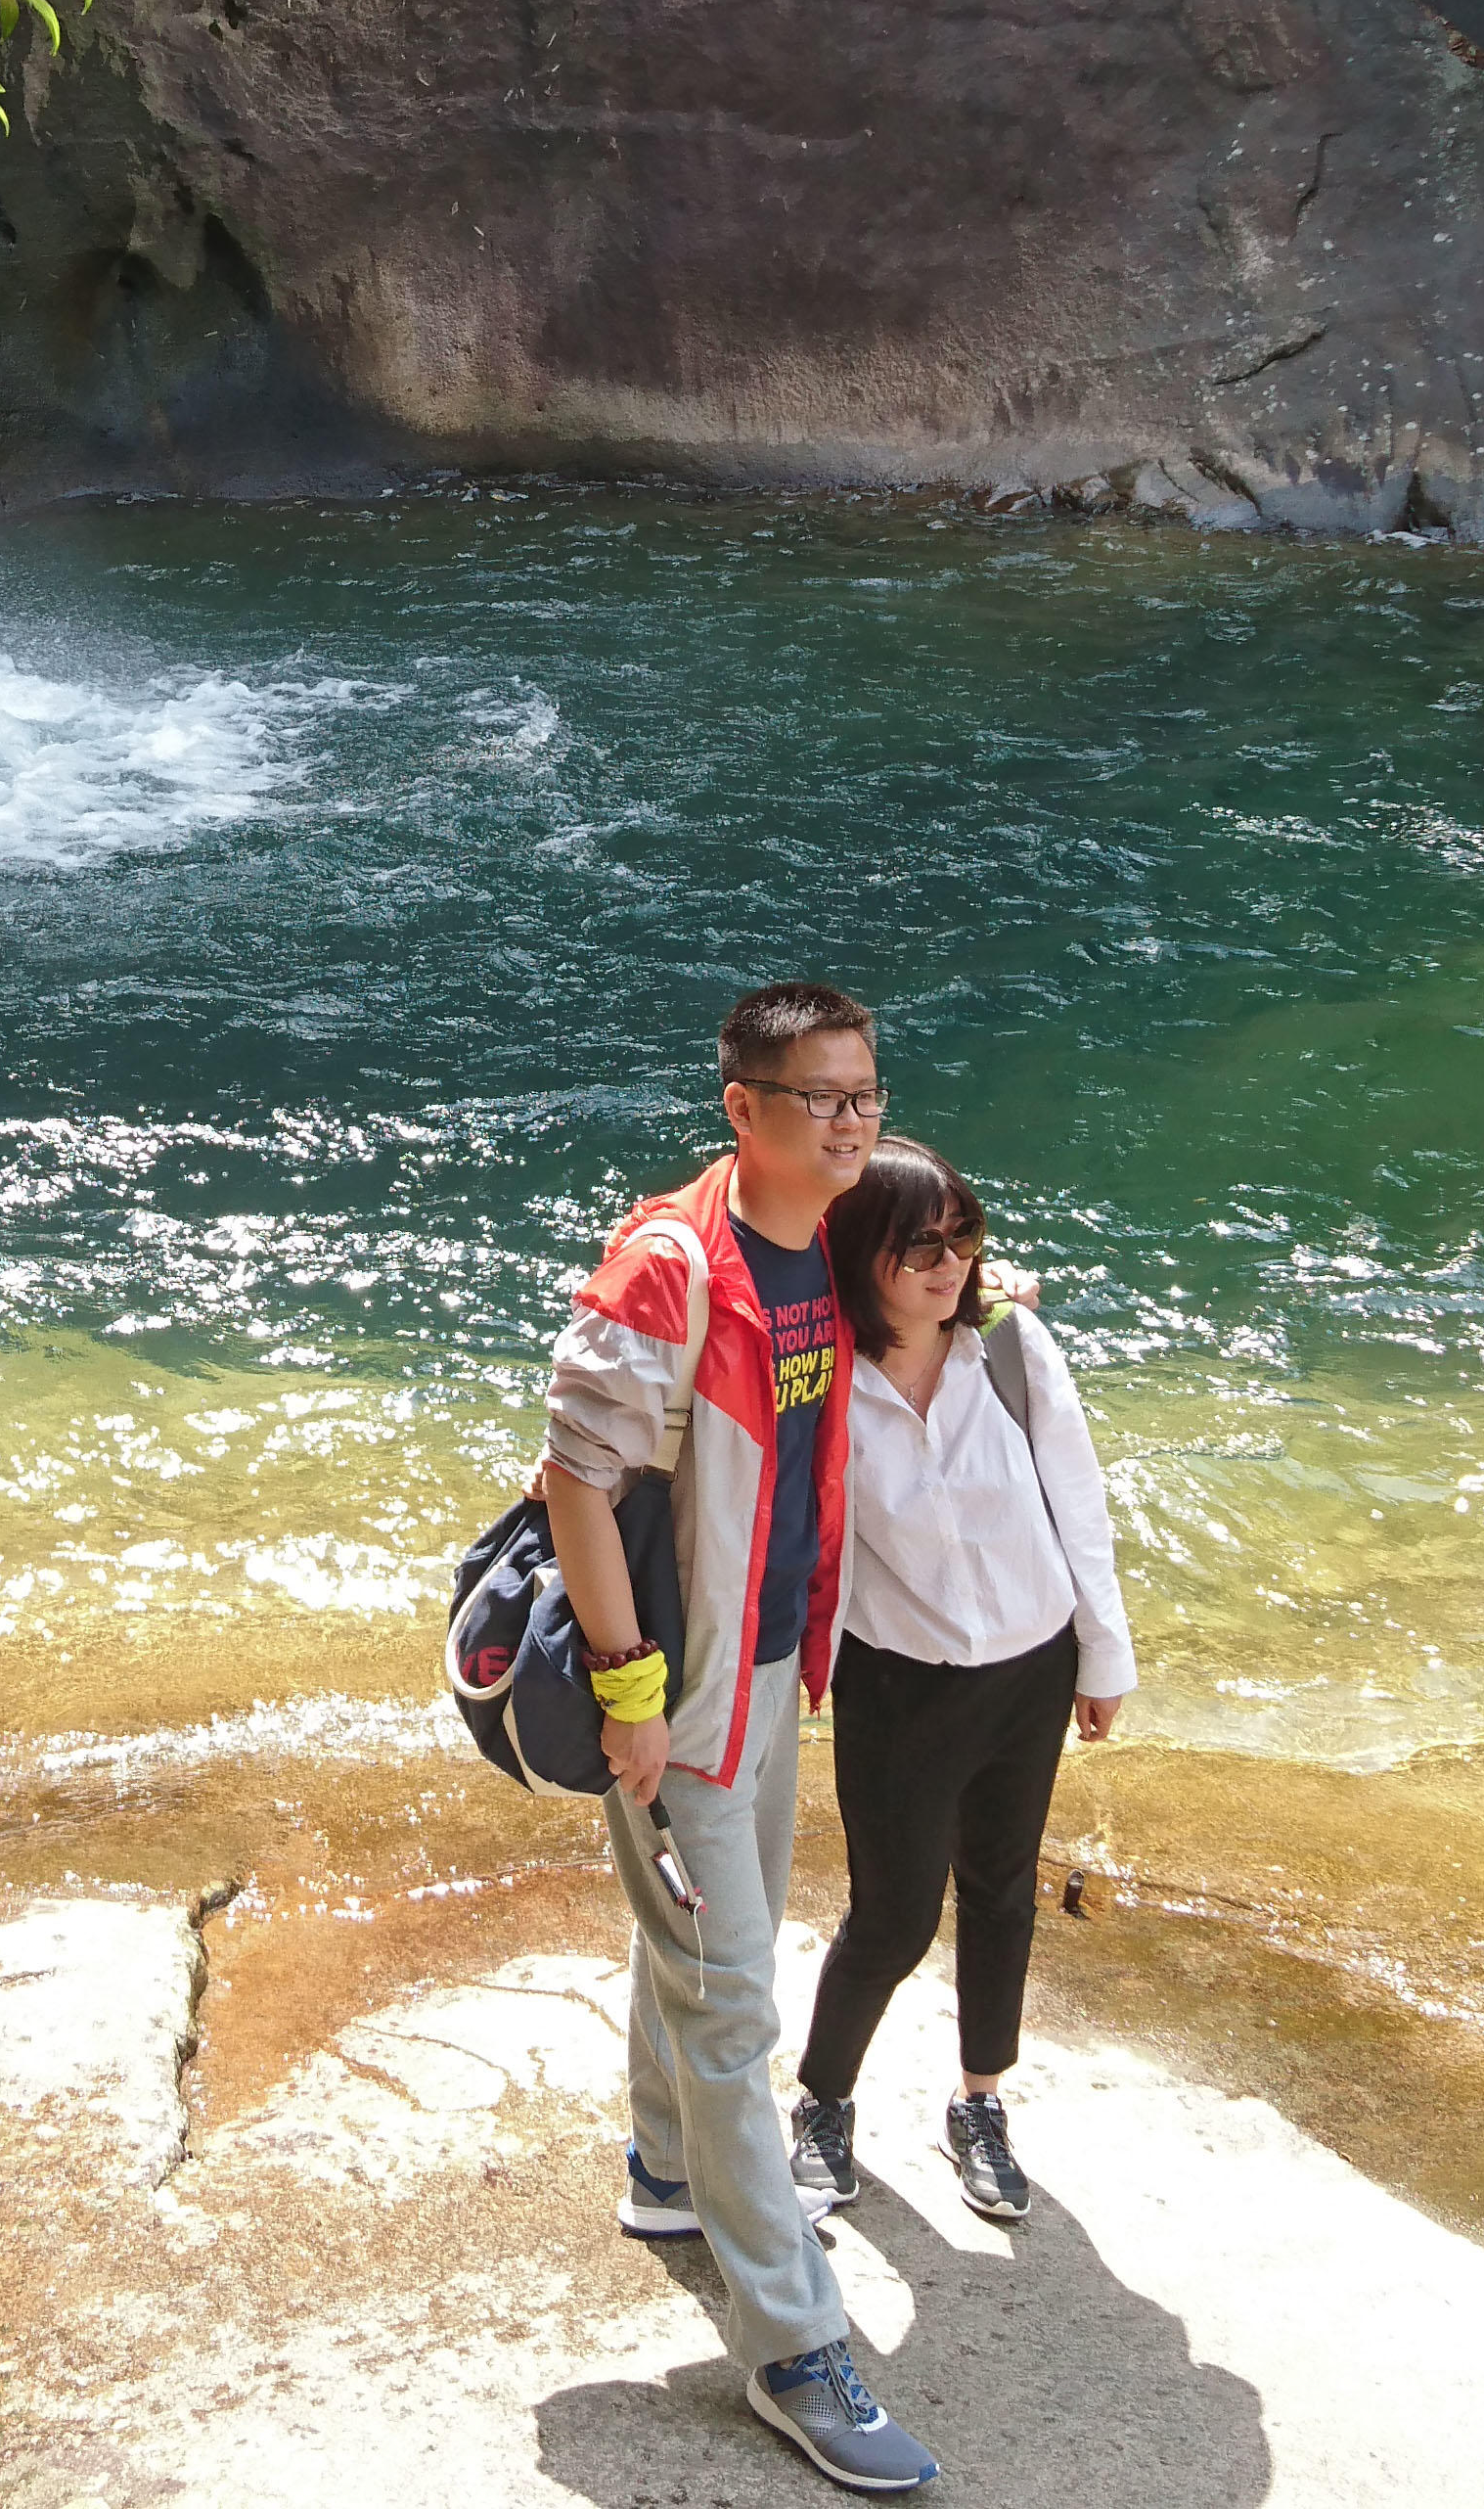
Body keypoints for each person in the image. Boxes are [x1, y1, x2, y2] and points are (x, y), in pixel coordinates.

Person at [537, 982, 940, 2495]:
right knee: (731, 2000)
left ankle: (666, 2169)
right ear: (743, 1108)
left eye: (865, 1093)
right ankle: (793, 2345)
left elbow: (930, 1270)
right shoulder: (671, 1266)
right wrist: (629, 1693)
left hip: (775, 1665)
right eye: (820, 1096)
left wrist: (985, 1301)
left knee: (713, 1943)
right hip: (684, 1689)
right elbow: (575, 1477)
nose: (851, 1120)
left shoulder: (832, 1239)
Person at [785, 1140, 1133, 2230]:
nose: (951, 1265)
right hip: (897, 1684)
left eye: (963, 1238)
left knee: (1001, 1893)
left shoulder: (1012, 1351)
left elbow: (1079, 1504)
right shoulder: (824, 1380)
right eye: (920, 1247)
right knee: (891, 1917)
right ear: (861, 1256)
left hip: (1029, 1668)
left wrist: (1102, 1654)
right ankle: (823, 2101)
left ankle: (979, 2103)